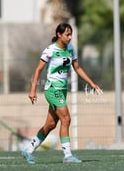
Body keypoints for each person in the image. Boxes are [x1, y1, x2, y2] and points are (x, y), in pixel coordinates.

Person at [22, 23, 102, 164]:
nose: (70, 37)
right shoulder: (50, 50)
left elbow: (77, 68)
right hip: (53, 90)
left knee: (50, 125)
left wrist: (91, 83)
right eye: (67, 35)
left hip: (62, 90)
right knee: (66, 119)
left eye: (71, 34)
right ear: (59, 35)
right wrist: (33, 90)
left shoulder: (71, 49)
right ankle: (68, 155)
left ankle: (28, 150)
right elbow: (38, 70)